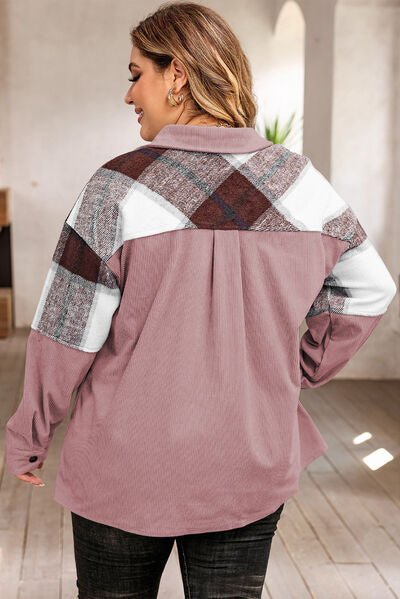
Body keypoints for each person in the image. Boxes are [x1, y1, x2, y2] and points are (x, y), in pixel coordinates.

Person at [5, 2, 397, 598]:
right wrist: (297, 370)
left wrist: (30, 433)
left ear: (178, 76)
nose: (129, 94)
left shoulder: (116, 188)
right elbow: (370, 290)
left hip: (125, 465)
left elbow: (66, 329)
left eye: (137, 74)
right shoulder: (303, 186)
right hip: (249, 460)